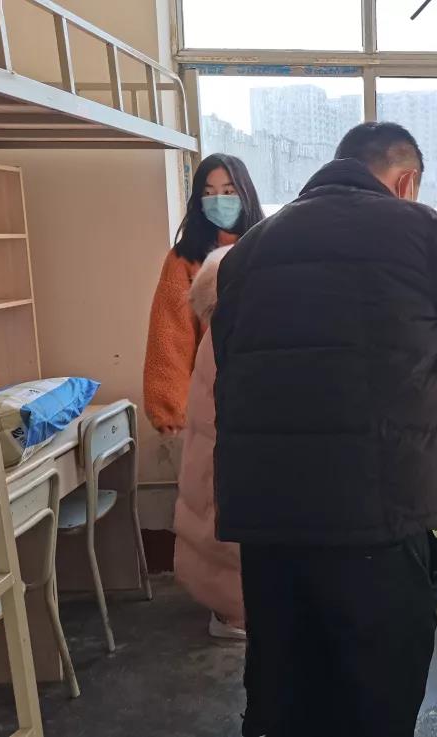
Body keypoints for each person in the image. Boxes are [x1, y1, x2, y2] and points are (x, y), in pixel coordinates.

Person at [210, 122, 437, 737]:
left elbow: (231, 366)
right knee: (376, 696)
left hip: (267, 520)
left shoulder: (251, 249)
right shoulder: (424, 233)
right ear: (406, 181)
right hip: (376, 516)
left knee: (282, 690)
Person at [143, 153, 263, 437]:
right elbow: (170, 334)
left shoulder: (266, 246)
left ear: (245, 193)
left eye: (228, 192)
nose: (218, 200)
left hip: (261, 386)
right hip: (208, 395)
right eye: (209, 193)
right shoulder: (184, 259)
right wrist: (168, 405)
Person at [171, 246, 247, 641]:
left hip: (217, 451)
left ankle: (231, 611)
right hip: (228, 449)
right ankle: (233, 615)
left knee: (214, 519)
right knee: (224, 529)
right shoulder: (240, 333)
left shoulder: (220, 330)